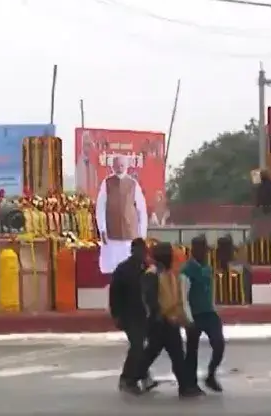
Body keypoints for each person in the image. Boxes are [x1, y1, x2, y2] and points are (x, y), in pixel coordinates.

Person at [139, 242, 204, 399]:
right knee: (158, 353)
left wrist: (180, 318)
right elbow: (151, 300)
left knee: (171, 354)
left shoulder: (168, 273)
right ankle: (131, 377)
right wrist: (161, 315)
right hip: (159, 322)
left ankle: (184, 387)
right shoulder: (152, 274)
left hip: (169, 320)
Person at [181, 236, 225, 392]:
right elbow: (183, 296)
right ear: (194, 250)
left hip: (209, 313)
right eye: (201, 249)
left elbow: (210, 291)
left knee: (219, 344)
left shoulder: (208, 268)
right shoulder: (186, 270)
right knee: (192, 350)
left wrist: (214, 308)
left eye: (205, 250)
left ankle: (211, 375)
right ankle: (190, 383)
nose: (204, 253)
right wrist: (188, 318)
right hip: (194, 315)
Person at [109, 238, 150, 394]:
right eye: (139, 251)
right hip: (129, 315)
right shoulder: (123, 270)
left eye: (144, 251)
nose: (142, 254)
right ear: (133, 251)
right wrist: (116, 315)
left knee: (142, 347)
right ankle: (126, 378)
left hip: (143, 314)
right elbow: (114, 294)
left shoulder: (146, 268)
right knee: (137, 346)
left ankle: (143, 375)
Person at [95, 155, 148, 274]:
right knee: (113, 267)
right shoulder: (106, 183)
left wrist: (142, 234)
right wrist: (102, 229)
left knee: (130, 265)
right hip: (111, 231)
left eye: (122, 165)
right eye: (117, 165)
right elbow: (100, 207)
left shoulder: (133, 184)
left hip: (130, 231)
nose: (119, 167)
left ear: (127, 166)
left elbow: (141, 209)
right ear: (112, 166)